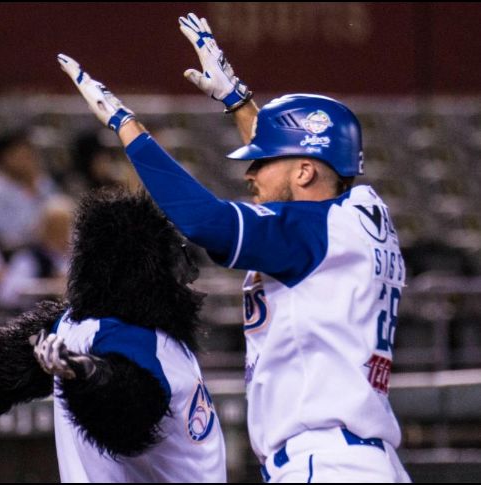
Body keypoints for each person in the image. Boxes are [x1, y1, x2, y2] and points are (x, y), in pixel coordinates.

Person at [56, 12, 410, 483]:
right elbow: (296, 176)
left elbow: (205, 221)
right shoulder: (361, 217)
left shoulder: (313, 232)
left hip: (326, 463)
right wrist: (238, 102)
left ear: (304, 171)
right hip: (365, 460)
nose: (249, 174)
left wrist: (127, 127)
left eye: (260, 162)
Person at [0, 189, 227, 483]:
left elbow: (13, 355)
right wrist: (92, 376)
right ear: (140, 269)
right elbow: (129, 404)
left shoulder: (69, 324)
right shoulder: (138, 340)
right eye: (172, 262)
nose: (188, 276)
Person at [0, 131, 61, 254]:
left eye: (29, 155)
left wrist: (34, 190)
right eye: (21, 155)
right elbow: (4, 239)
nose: (27, 161)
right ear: (3, 158)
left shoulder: (42, 182)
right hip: (15, 254)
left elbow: (62, 217)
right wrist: (39, 232)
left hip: (52, 251)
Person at [0, 195, 74, 312]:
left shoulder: (76, 256)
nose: (60, 233)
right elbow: (5, 294)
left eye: (64, 227)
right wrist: (50, 286)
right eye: (55, 227)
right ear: (43, 228)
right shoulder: (29, 258)